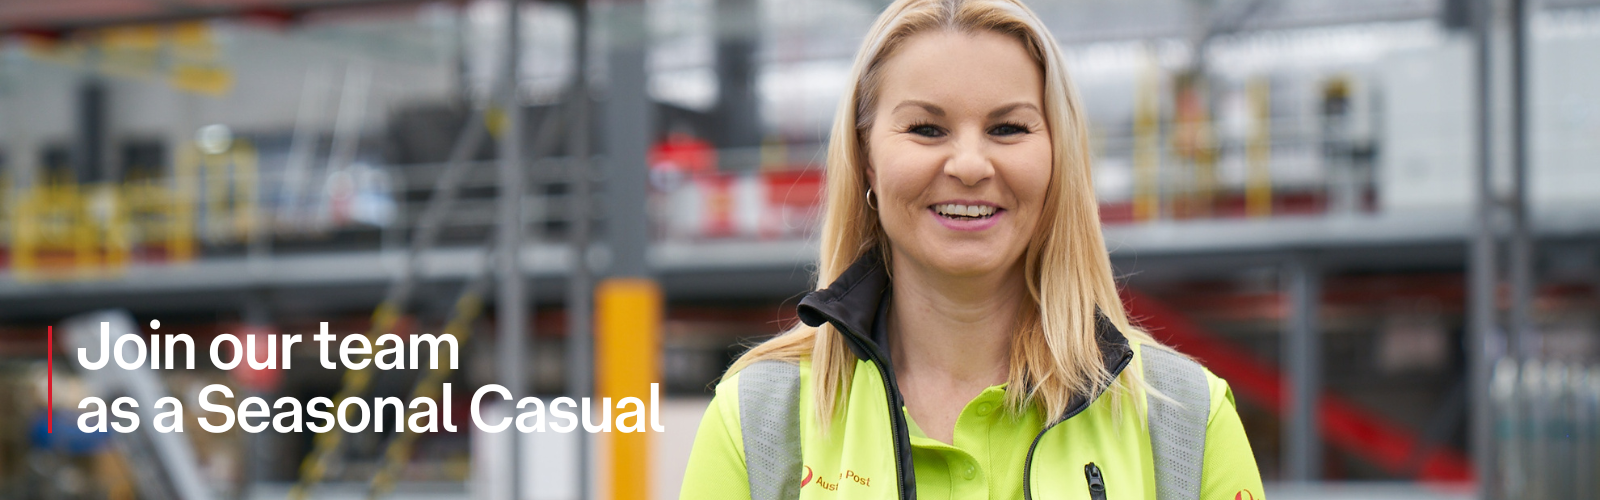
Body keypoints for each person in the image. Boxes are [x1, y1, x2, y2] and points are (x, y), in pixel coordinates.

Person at [681, 0, 1265, 497]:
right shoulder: (757, 420)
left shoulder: (1187, 420)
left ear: (1057, 159)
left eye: (1008, 128)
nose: (969, 165)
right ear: (866, 160)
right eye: (926, 129)